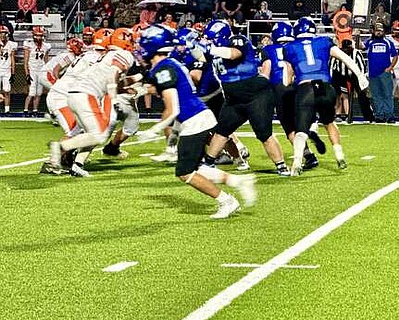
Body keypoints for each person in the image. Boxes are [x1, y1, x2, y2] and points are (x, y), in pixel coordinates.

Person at [134, 24, 256, 219]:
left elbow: (173, 109)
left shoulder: (164, 68)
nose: (140, 49)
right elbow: (157, 86)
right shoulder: (169, 64)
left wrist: (154, 130)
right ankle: (238, 182)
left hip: (194, 121)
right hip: (199, 117)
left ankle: (226, 201)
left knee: (185, 173)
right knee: (198, 168)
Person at [199, 19, 290, 176]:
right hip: (234, 98)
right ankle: (208, 163)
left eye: (210, 37)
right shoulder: (213, 51)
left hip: (256, 95)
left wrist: (208, 47)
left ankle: (281, 165)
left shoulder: (237, 40)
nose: (207, 40)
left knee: (263, 133)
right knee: (222, 131)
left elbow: (233, 54)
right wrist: (191, 45)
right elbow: (201, 57)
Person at [281, 17, 370, 174]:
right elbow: (345, 58)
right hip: (325, 87)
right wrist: (360, 75)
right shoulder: (323, 41)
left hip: (306, 88)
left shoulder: (289, 47)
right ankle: (339, 156)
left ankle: (297, 162)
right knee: (329, 122)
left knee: (301, 130)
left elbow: (286, 80)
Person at [43, 28, 135, 177]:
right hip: (74, 95)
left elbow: (106, 77)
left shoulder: (96, 56)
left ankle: (73, 162)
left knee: (89, 132)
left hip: (73, 93)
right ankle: (56, 156)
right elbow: (111, 75)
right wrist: (115, 95)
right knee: (92, 134)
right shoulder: (113, 56)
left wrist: (129, 84)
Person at [259, 22, 325, 170]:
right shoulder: (296, 45)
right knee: (304, 117)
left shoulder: (268, 50)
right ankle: (312, 127)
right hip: (301, 84)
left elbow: (265, 71)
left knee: (289, 127)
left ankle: (307, 156)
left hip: (280, 88)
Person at [361, 23, 398, 123]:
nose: (379, 32)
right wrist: (356, 35)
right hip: (373, 73)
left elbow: (395, 56)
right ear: (373, 31)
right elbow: (360, 47)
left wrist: (390, 68)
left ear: (384, 32)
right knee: (376, 95)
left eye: (381, 31)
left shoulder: (388, 42)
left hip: (385, 72)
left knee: (387, 94)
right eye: (377, 30)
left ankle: (389, 115)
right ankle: (379, 115)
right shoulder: (369, 41)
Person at [23, 26, 51, 116]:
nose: (38, 38)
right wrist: (27, 73)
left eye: (40, 36)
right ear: (33, 35)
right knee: (31, 92)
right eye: (37, 36)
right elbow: (26, 61)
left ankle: (35, 110)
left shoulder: (46, 46)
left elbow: (46, 60)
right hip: (32, 70)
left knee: (39, 92)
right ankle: (25, 110)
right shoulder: (29, 45)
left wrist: (47, 71)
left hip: (41, 70)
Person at [0, 26, 17, 113]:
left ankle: (7, 110)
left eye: (4, 33)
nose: (3, 35)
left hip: (7, 70)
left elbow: (13, 58)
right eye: (1, 33)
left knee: (7, 91)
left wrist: (13, 73)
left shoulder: (11, 44)